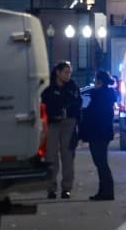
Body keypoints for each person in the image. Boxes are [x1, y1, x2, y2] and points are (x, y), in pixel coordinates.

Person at [40, 61, 81, 199]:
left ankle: (66, 188)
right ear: (58, 72)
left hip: (68, 123)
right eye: (65, 72)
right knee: (51, 156)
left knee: (67, 156)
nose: (68, 75)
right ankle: (51, 187)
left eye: (69, 73)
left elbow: (77, 104)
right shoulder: (49, 88)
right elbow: (44, 103)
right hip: (53, 123)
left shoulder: (72, 87)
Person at [80, 69, 118, 201]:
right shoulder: (105, 96)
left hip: (98, 134)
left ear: (100, 82)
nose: (94, 83)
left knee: (101, 163)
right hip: (102, 133)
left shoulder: (100, 97)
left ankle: (106, 191)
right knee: (101, 163)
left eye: (96, 80)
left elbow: (94, 115)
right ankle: (104, 191)